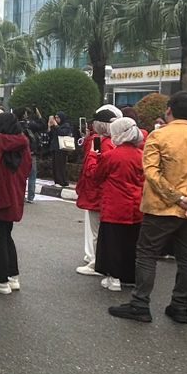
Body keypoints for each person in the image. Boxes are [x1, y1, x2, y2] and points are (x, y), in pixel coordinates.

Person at [108, 91, 187, 326]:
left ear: (169, 109)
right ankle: (180, 307)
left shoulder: (158, 136)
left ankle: (140, 303)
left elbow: (151, 172)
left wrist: (177, 197)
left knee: (147, 253)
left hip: (160, 208)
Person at [84, 116, 146, 291]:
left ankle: (114, 277)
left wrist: (93, 155)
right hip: (136, 205)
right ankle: (129, 276)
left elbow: (95, 175)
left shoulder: (111, 156)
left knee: (112, 243)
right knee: (130, 243)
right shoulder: (142, 155)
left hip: (115, 205)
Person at [73, 106, 121, 277]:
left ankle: (95, 262)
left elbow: (92, 171)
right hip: (108, 192)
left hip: (97, 192)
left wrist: (92, 155)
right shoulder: (116, 142)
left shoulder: (101, 143)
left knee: (95, 230)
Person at [0, 110, 31, 293]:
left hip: (0, 197)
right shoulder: (24, 143)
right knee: (6, 235)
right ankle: (12, 276)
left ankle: (2, 281)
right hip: (15, 197)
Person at [47, 113, 76, 187]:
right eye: (55, 118)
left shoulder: (66, 125)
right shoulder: (56, 126)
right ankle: (57, 181)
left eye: (58, 118)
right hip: (55, 147)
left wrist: (56, 125)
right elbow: (51, 135)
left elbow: (62, 133)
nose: (56, 119)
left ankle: (61, 181)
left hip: (61, 148)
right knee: (55, 165)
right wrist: (49, 126)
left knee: (60, 165)